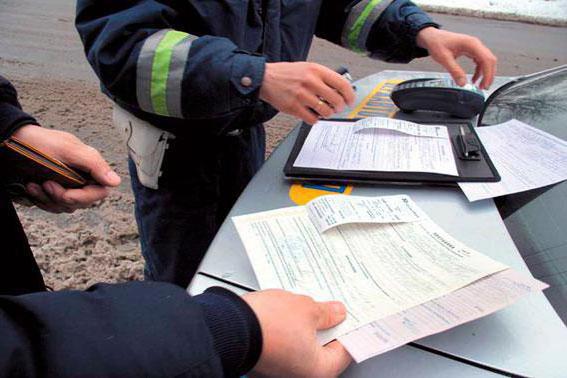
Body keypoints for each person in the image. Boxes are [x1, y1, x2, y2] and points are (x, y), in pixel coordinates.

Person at [76, 0, 497, 288]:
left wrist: (418, 30)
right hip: (174, 149)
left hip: (245, 128)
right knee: (184, 281)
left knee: (240, 268)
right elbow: (121, 47)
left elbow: (339, 6)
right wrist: (254, 76)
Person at [0, 75, 352, 376]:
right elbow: (121, 49)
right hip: (174, 162)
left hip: (242, 141)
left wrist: (8, 127)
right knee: (182, 272)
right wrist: (225, 329)